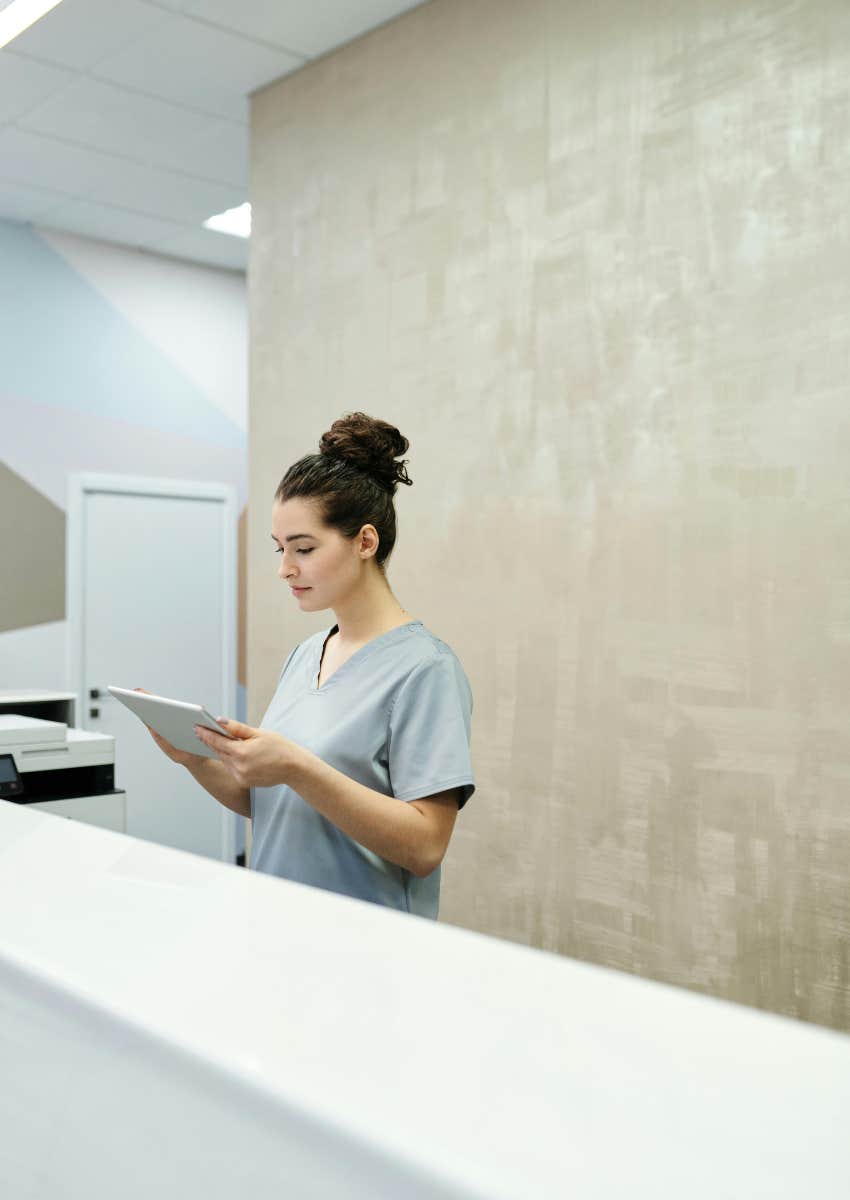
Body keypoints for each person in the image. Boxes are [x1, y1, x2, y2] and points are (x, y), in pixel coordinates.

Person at [146, 412, 475, 919]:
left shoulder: (425, 669)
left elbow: (426, 845)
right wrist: (195, 757)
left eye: (303, 548)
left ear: (365, 542)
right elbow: (271, 806)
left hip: (368, 951)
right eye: (281, 549)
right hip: (279, 927)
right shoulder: (306, 655)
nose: (285, 569)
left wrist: (298, 767)